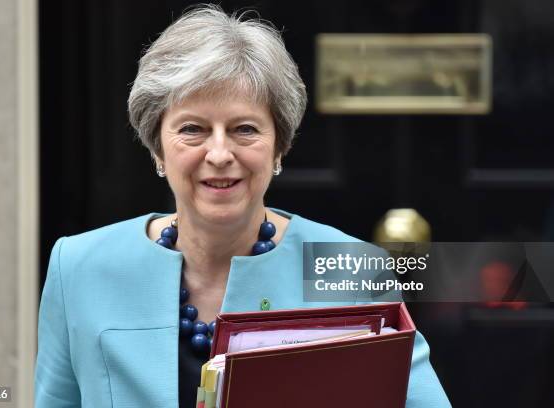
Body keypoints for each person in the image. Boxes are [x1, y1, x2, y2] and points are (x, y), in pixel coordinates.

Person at [35, 5, 451, 407]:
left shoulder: (348, 267)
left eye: (244, 129)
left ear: (279, 147)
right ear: (157, 148)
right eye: (193, 129)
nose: (219, 153)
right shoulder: (79, 267)